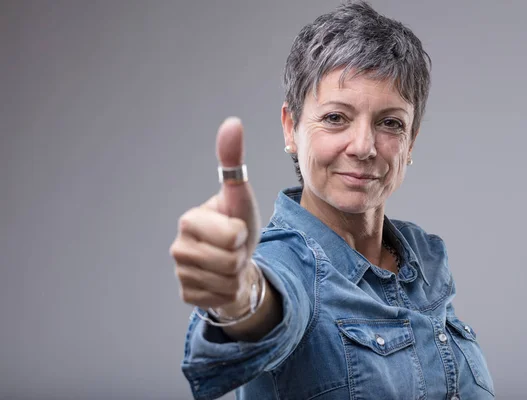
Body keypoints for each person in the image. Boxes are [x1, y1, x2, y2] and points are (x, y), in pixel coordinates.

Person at [170, 1, 495, 399]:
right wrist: (239, 297)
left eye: (390, 123)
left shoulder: (426, 260)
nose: (363, 147)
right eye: (336, 118)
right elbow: (268, 303)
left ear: (411, 140)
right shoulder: (287, 262)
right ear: (291, 128)